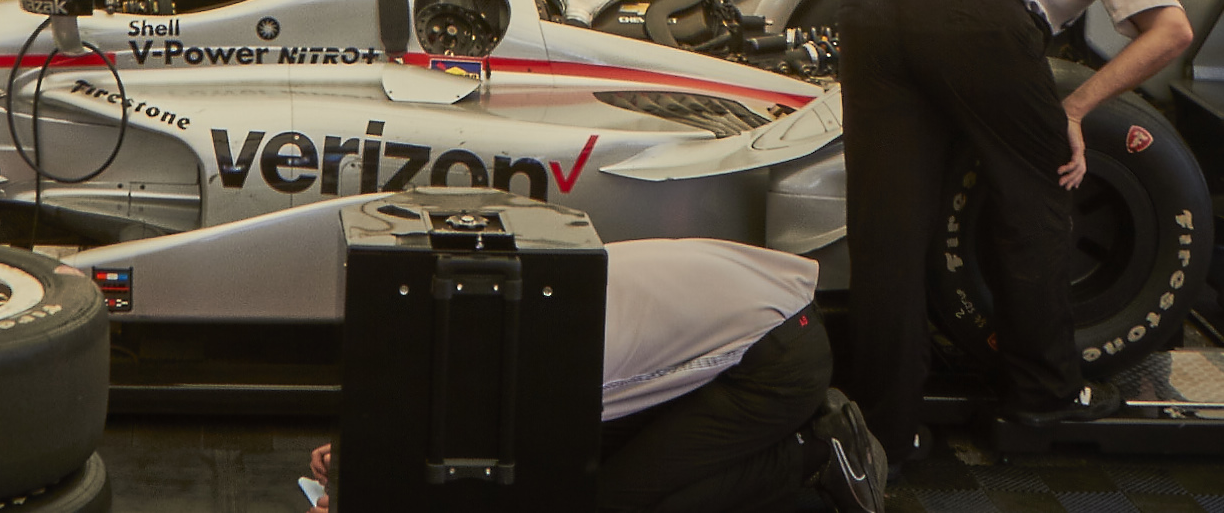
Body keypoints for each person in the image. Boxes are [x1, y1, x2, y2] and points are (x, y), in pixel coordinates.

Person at [842, 0, 1194, 461]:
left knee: (886, 228)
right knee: (1036, 200)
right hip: (973, 12)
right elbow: (1171, 32)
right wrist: (1075, 109)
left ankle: (886, 432)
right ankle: (1043, 395)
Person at [303, 239, 886, 513]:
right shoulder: (506, 311)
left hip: (777, 361)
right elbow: (446, 417)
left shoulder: (553, 356)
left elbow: (502, 458)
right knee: (591, 472)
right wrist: (360, 457)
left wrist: (367, 490)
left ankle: (816, 450)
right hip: (749, 327)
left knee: (615, 503)